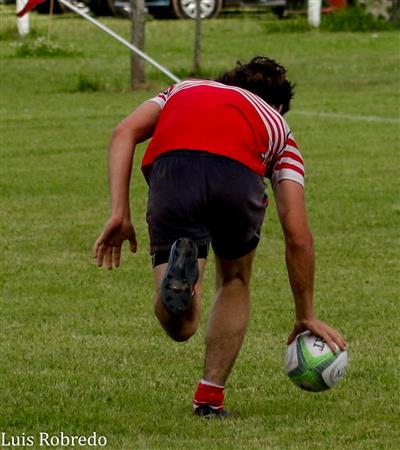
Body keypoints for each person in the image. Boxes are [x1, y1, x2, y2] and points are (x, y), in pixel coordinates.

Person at [93, 56, 347, 418]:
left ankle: (181, 288)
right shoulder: (277, 125)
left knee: (181, 327)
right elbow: (298, 236)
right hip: (236, 177)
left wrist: (119, 211)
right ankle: (210, 398)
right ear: (278, 106)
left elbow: (124, 132)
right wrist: (305, 314)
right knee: (235, 278)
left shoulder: (184, 88)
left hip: (174, 171)